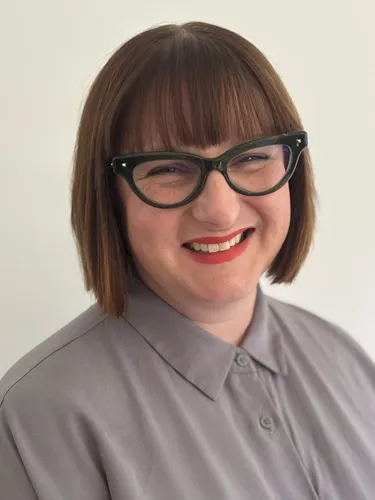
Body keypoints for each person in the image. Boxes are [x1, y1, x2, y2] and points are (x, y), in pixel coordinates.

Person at [0, 21, 374, 500]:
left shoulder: (347, 360)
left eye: (251, 157)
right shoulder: (44, 414)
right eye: (169, 168)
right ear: (108, 197)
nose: (219, 209)